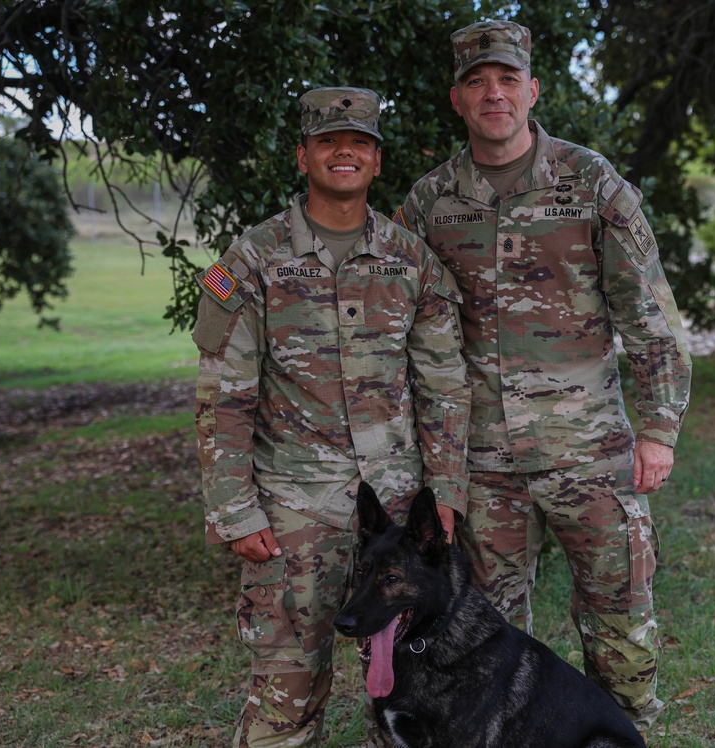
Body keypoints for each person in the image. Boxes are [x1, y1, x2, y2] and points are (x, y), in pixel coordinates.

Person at [392, 21, 692, 741]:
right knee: (484, 629)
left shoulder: (592, 183)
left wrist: (657, 430)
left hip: (590, 452)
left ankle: (629, 734)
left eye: (505, 80)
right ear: (457, 99)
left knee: (619, 616)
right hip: (481, 466)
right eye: (476, 82)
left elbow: (649, 314)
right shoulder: (429, 204)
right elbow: (402, 330)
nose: (493, 94)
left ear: (531, 90)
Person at [193, 87, 470, 747]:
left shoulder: (412, 261)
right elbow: (222, 395)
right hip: (294, 510)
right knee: (287, 687)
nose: (344, 153)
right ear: (303, 156)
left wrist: (448, 492)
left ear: (377, 161)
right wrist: (235, 510)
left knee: (414, 687)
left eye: (360, 143)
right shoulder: (252, 260)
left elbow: (444, 385)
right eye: (328, 142)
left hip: (399, 508)